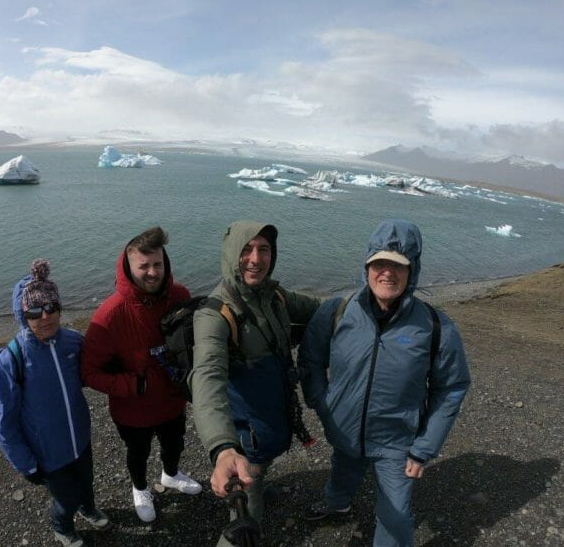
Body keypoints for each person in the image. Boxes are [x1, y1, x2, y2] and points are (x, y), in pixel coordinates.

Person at [298, 219, 471, 547]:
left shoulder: (436, 327)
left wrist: (423, 450)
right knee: (343, 469)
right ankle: (337, 502)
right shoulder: (338, 310)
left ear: (413, 270)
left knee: (395, 516)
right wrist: (324, 403)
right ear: (366, 266)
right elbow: (310, 360)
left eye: (398, 265)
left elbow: (451, 386)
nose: (387, 272)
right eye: (379, 263)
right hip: (344, 428)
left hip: (397, 443)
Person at [189, 220, 321, 546]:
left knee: (260, 474)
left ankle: (260, 482)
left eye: (264, 249)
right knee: (247, 518)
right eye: (246, 249)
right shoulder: (214, 315)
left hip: (271, 418)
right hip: (247, 435)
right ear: (232, 254)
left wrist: (364, 305)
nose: (255, 258)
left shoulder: (273, 296)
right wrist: (223, 448)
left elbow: (320, 308)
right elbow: (207, 378)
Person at [81, 227, 202, 523]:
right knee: (138, 452)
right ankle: (140, 487)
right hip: (133, 409)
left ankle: (171, 474)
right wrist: (132, 384)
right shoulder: (109, 314)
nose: (152, 272)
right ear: (128, 267)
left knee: (175, 443)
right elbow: (88, 372)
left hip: (173, 400)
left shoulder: (180, 295)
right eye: (143, 266)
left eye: (157, 264)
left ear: (166, 263)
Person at [0, 259, 108, 547]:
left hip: (79, 438)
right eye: (34, 311)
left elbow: (91, 371)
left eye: (51, 307)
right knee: (65, 498)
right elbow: (2, 422)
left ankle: (87, 507)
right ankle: (61, 524)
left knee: (86, 483)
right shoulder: (10, 360)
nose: (45, 317)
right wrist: (26, 465)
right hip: (46, 453)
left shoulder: (71, 342)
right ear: (22, 314)